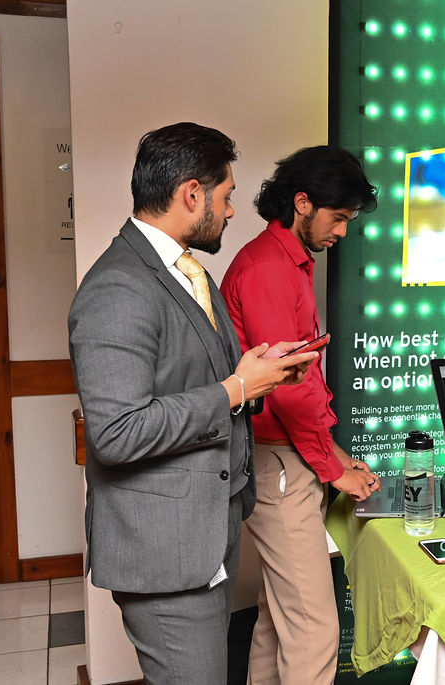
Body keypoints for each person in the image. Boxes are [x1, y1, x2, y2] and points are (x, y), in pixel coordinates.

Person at [68, 122, 319, 683]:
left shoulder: (188, 271)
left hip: (205, 532)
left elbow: (203, 379)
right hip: (165, 552)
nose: (230, 212)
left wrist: (262, 371)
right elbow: (116, 433)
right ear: (191, 194)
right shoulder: (118, 287)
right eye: (226, 197)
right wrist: (237, 389)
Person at [220, 145, 379, 684]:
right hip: (277, 464)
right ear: (303, 202)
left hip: (286, 458)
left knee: (279, 620)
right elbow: (285, 389)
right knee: (313, 630)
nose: (343, 231)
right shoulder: (268, 268)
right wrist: (333, 469)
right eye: (339, 217)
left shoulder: (285, 262)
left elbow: (303, 382)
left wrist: (335, 456)